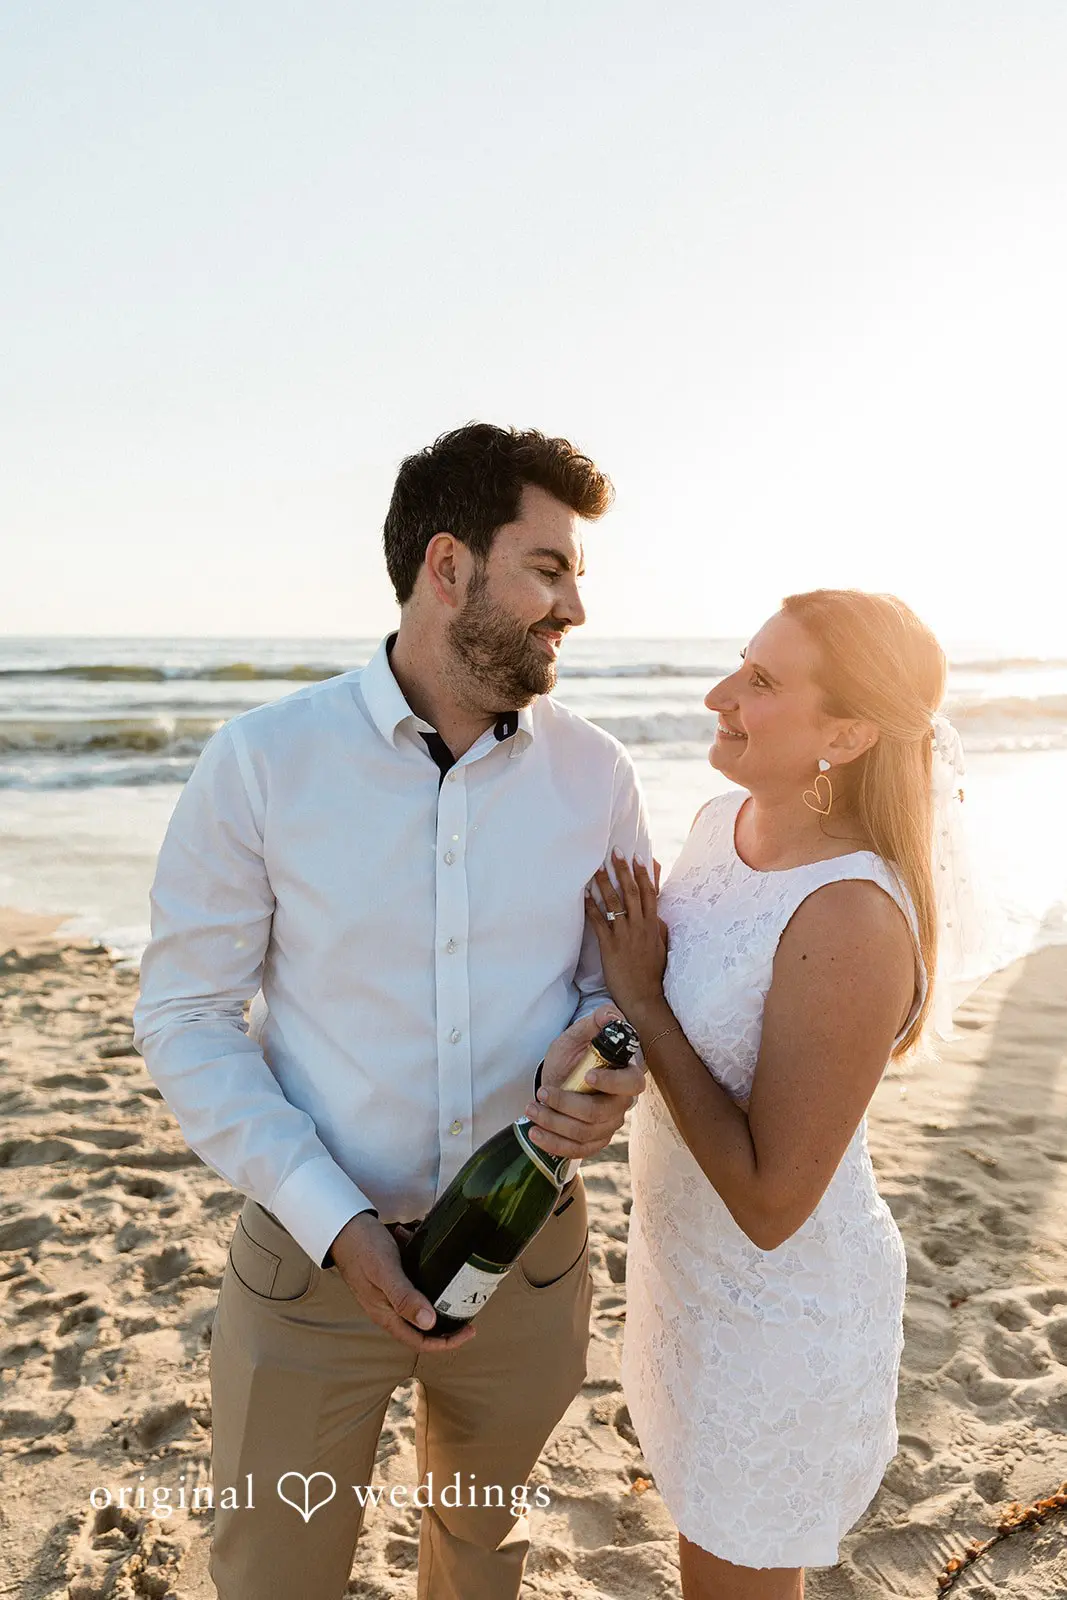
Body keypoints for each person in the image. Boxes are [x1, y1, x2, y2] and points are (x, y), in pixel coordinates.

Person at [132, 422, 651, 1600]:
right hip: (308, 1270)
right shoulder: (263, 763)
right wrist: (333, 1218)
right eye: (550, 568)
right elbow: (187, 1014)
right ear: (447, 566)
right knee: (273, 1572)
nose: (574, 607)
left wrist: (608, 1053)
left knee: (481, 1562)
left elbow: (609, 989)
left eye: (578, 575)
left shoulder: (599, 777)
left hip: (528, 1264)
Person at [582, 589, 954, 1600]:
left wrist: (642, 1004)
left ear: (844, 731)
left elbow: (771, 1202)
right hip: (681, 1276)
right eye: (735, 665)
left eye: (758, 682)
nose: (716, 696)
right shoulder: (717, 823)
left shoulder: (849, 915)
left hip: (775, 1314)